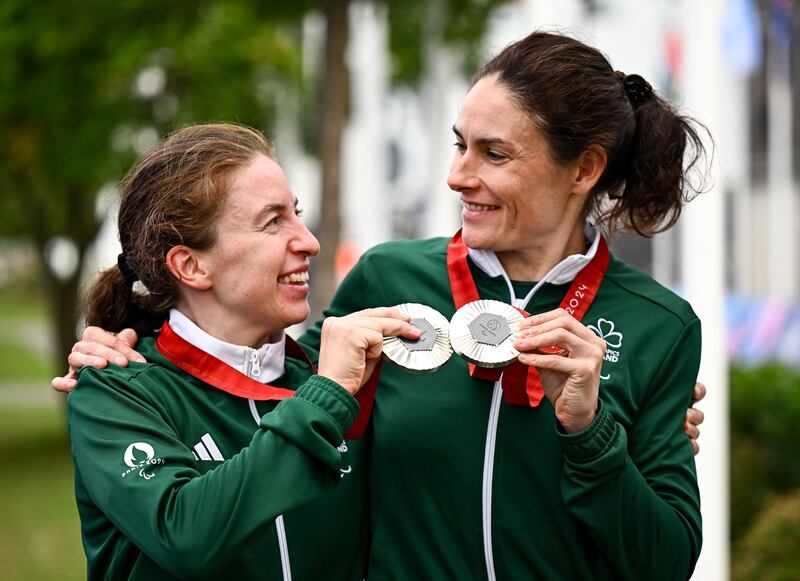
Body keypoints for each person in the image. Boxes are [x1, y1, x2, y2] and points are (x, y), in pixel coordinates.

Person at [56, 31, 709, 580]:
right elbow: (249, 362)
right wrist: (121, 345)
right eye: (459, 144)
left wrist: (597, 435)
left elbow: (665, 559)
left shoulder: (659, 328)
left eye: (493, 153)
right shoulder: (385, 280)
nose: (456, 174)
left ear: (583, 168)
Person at [65, 123, 419, 580]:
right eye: (273, 222)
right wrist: (327, 395)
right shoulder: (116, 391)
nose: (309, 241)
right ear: (191, 265)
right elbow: (185, 537)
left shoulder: (320, 372)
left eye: (297, 213)